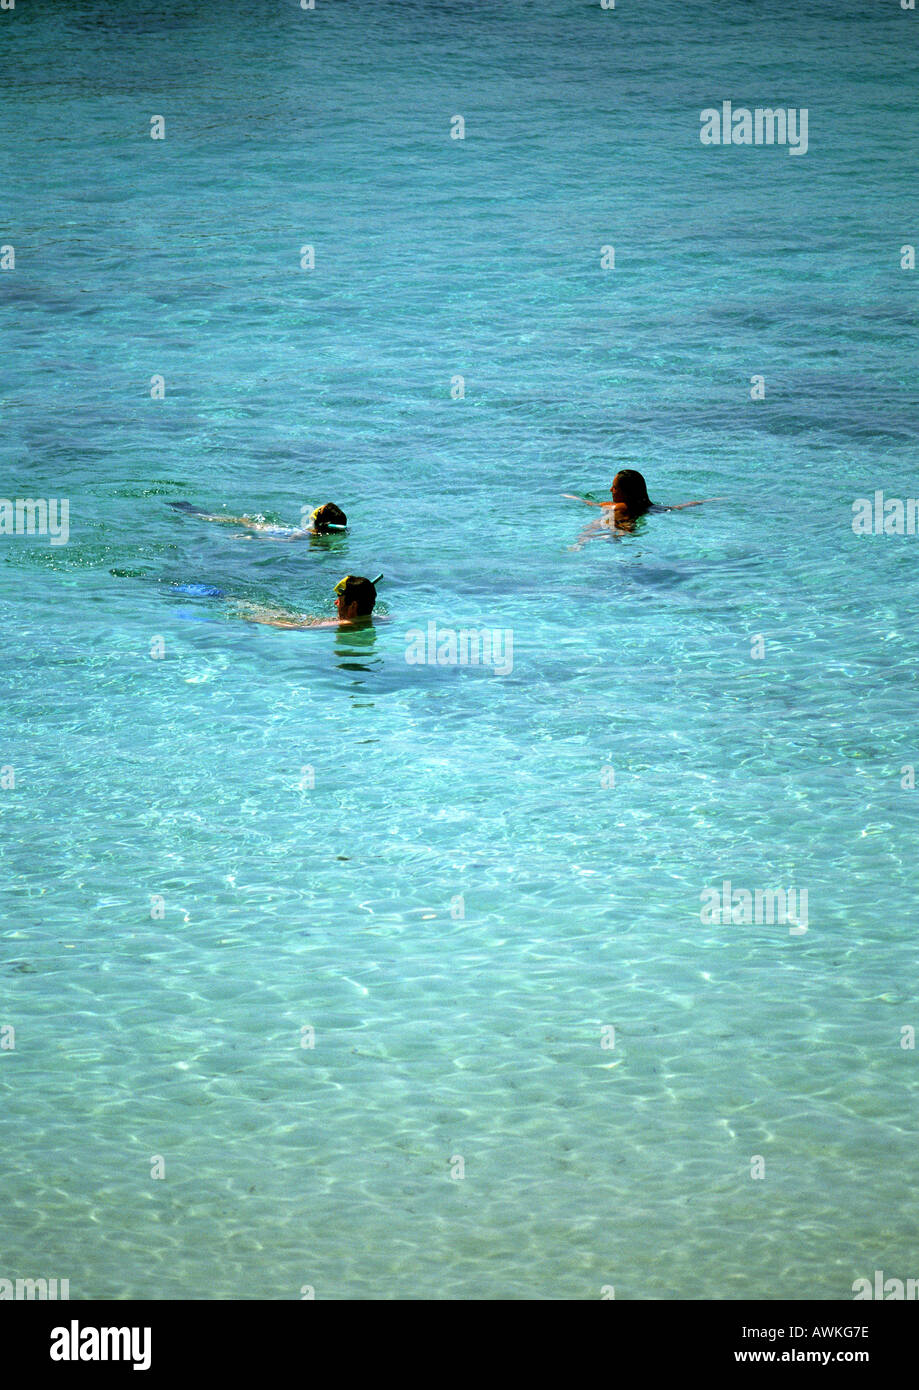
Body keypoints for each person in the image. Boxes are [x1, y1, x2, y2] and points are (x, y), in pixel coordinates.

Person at [565, 470, 722, 544]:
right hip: (633, 529)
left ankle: (603, 537)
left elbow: (595, 511)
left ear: (624, 493)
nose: (610, 490)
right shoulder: (651, 507)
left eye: (614, 488)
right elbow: (680, 507)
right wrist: (708, 500)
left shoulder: (618, 507)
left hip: (623, 531)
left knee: (599, 526)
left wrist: (581, 541)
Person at [240, 574, 380, 630]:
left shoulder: (342, 624)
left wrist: (256, 619)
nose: (335, 603)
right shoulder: (381, 619)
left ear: (353, 605)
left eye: (340, 600)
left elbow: (296, 627)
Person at [168, 499, 347, 539]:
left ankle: (187, 512)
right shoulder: (312, 535)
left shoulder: (305, 536)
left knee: (216, 518)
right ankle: (189, 511)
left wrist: (252, 537)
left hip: (258, 529)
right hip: (263, 527)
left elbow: (282, 542)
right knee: (218, 518)